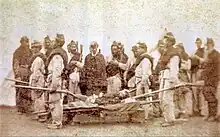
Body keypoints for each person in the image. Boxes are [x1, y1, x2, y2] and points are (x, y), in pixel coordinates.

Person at [155, 33, 180, 127]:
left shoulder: (174, 53)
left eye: (166, 40)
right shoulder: (166, 52)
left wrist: (173, 81)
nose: (164, 42)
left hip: (170, 77)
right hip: (164, 76)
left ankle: (170, 120)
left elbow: (174, 68)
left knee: (167, 99)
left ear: (170, 42)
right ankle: (167, 118)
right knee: (161, 98)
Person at [46, 34, 68, 129]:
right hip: (55, 81)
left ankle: (57, 123)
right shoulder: (57, 54)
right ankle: (56, 121)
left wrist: (54, 86)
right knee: (55, 102)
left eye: (54, 41)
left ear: (58, 43)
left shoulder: (57, 56)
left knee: (55, 102)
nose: (52, 42)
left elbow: (56, 72)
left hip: (55, 82)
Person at [200, 38, 220, 121]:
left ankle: (213, 115)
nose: (206, 47)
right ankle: (211, 114)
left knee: (210, 95)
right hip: (209, 78)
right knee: (207, 94)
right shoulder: (209, 54)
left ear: (211, 44)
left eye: (208, 45)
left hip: (213, 78)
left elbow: (211, 68)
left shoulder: (215, 54)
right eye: (206, 45)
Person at [12, 36, 32, 114]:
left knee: (27, 90)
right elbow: (15, 64)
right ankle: (20, 108)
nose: (26, 43)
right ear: (21, 42)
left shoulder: (30, 51)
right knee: (20, 90)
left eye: (27, 41)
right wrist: (17, 75)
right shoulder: (17, 52)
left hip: (28, 73)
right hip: (20, 72)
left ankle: (27, 107)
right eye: (24, 41)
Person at [29, 40, 47, 122]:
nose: (33, 49)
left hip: (38, 79)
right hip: (38, 78)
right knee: (36, 97)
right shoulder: (37, 58)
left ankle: (42, 115)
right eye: (32, 47)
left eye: (35, 47)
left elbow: (36, 72)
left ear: (38, 48)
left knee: (38, 97)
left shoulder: (38, 59)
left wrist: (33, 82)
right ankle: (38, 114)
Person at [175, 43, 193, 118]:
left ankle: (188, 111)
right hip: (178, 76)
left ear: (182, 49)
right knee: (179, 94)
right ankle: (180, 110)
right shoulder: (176, 57)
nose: (178, 50)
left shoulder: (186, 57)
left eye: (179, 48)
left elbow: (188, 67)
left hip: (185, 76)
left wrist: (181, 66)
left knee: (187, 93)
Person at [190, 38, 208, 116]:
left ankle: (202, 110)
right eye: (196, 43)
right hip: (194, 72)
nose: (198, 44)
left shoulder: (204, 52)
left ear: (201, 43)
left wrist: (197, 58)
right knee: (194, 91)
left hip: (201, 71)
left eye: (199, 43)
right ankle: (196, 109)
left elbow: (205, 61)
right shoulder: (195, 52)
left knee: (201, 91)